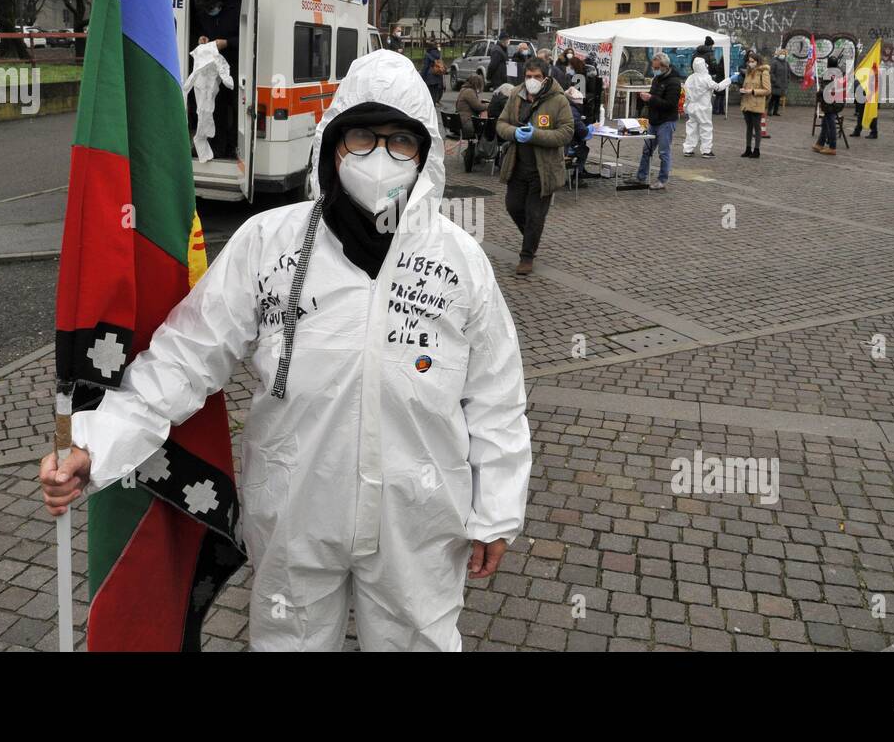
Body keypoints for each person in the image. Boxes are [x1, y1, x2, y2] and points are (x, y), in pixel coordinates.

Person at [40, 50, 531, 651]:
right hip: (296, 515)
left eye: (400, 140)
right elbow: (184, 357)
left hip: (421, 525)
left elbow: (496, 398)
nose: (380, 156)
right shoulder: (269, 244)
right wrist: (96, 440)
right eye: (362, 136)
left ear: (425, 151)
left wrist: (497, 510)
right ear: (331, 144)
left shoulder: (460, 262)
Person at [497, 58, 575, 275]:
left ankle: (527, 255)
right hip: (517, 165)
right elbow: (501, 123)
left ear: (545, 77)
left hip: (544, 169)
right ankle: (532, 236)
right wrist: (514, 133)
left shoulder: (558, 100)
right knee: (513, 206)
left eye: (536, 77)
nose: (532, 80)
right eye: (528, 76)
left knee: (535, 215)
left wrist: (536, 135)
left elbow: (567, 132)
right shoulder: (515, 95)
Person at [193, 0, 242, 159]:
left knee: (237, 107)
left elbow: (248, 37)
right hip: (213, 66)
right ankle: (218, 147)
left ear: (219, 2)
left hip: (237, 65)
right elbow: (201, 30)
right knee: (215, 107)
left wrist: (227, 43)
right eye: (206, 10)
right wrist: (203, 38)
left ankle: (235, 145)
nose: (209, 12)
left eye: (210, 8)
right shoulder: (203, 13)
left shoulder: (237, 8)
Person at [630, 52, 682, 190]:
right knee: (646, 150)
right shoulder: (656, 79)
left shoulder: (674, 82)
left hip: (666, 121)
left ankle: (662, 180)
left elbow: (670, 104)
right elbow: (653, 96)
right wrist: (646, 99)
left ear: (664, 66)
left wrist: (651, 99)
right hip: (653, 120)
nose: (654, 70)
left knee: (664, 152)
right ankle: (641, 177)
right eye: (654, 67)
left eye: (656, 67)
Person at [682, 56, 738, 158]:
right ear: (703, 66)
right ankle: (706, 151)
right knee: (706, 128)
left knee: (691, 128)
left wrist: (685, 107)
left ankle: (688, 149)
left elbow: (686, 95)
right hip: (703, 107)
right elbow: (718, 87)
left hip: (692, 107)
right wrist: (729, 79)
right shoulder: (706, 78)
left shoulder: (690, 78)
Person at [812, 54, 846, 156]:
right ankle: (820, 143)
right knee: (825, 123)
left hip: (831, 103)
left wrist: (819, 92)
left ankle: (832, 147)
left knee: (830, 124)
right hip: (836, 102)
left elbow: (827, 89)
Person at [739, 51, 771, 158]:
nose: (750, 63)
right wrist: (743, 90)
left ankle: (756, 150)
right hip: (746, 103)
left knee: (757, 128)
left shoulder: (764, 72)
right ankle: (748, 148)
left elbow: (767, 90)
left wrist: (753, 91)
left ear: (757, 62)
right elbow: (746, 84)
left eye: (752, 61)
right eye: (749, 61)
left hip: (757, 103)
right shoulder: (748, 71)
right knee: (748, 127)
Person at [456, 73, 487, 141]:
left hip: (459, 123)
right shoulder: (469, 92)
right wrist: (488, 105)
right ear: (477, 84)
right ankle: (478, 149)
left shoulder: (464, 89)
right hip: (466, 124)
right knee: (487, 129)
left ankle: (472, 149)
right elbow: (478, 107)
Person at [420, 39, 445, 113]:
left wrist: (422, 77)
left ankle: (429, 108)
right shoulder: (438, 54)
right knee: (435, 93)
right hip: (437, 75)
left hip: (429, 76)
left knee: (429, 92)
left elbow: (426, 67)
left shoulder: (428, 55)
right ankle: (433, 106)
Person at [769, 48, 790, 117]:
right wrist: (774, 80)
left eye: (784, 54)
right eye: (781, 53)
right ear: (778, 54)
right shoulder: (774, 62)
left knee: (778, 98)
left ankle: (775, 111)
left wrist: (787, 80)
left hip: (783, 84)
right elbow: (771, 73)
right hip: (776, 84)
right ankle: (769, 110)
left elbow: (788, 73)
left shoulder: (786, 63)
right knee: (773, 98)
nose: (782, 55)